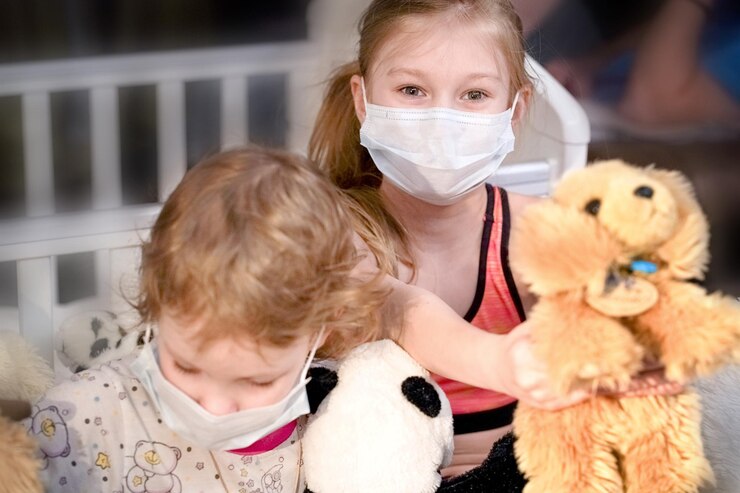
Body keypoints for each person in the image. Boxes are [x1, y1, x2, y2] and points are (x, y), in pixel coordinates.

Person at [308, 0, 682, 482]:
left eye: (475, 95)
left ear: (514, 110)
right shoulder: (336, 231)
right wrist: (497, 361)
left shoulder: (537, 228)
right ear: (363, 101)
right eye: (411, 90)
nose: (442, 120)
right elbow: (398, 309)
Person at [22, 147, 392, 492]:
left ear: (321, 330)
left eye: (257, 381)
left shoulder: (341, 417)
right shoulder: (82, 417)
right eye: (186, 367)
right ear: (158, 306)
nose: (213, 408)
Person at [543, 0, 740, 127]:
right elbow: (666, 32)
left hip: (619, 143)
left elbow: (651, 107)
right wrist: (591, 64)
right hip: (589, 98)